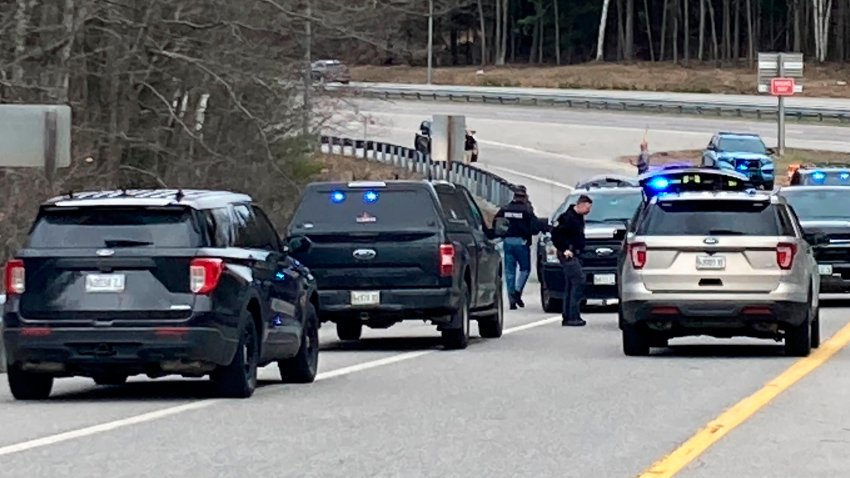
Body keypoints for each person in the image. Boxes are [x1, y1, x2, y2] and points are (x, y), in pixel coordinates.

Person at [493, 187, 539, 310]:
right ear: (524, 197)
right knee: (525, 269)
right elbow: (535, 227)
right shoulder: (527, 210)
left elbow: (496, 224)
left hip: (507, 242)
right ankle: (517, 292)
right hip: (521, 243)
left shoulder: (505, 209)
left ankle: (511, 300)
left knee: (509, 272)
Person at [551, 194, 593, 327]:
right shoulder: (566, 218)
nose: (588, 211)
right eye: (587, 208)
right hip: (568, 255)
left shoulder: (578, 217)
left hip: (576, 253)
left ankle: (569, 316)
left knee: (571, 285)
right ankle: (572, 315)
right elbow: (555, 235)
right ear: (580, 205)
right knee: (579, 280)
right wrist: (564, 249)